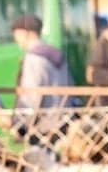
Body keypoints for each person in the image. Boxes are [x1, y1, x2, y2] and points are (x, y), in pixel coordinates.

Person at [11, 13, 77, 146]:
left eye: (17, 34)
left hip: (42, 126)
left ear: (26, 33)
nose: (15, 39)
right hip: (63, 122)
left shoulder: (33, 58)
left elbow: (31, 96)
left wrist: (20, 126)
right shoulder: (57, 55)